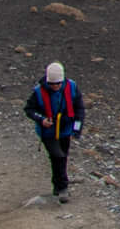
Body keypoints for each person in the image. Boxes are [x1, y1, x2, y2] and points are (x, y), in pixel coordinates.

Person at [24, 62, 83, 202]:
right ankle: (63, 188)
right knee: (58, 156)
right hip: (47, 131)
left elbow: (79, 109)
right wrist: (42, 119)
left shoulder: (72, 88)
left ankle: (57, 186)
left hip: (65, 129)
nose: (55, 87)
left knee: (62, 157)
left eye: (58, 83)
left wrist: (76, 129)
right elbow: (29, 109)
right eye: (52, 84)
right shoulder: (38, 91)